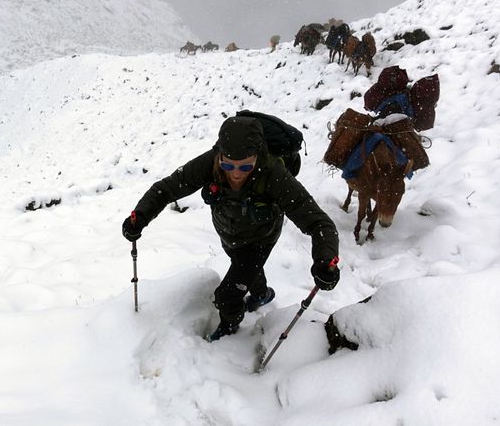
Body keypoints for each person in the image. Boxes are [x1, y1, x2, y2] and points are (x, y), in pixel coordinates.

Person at [122, 115, 340, 342]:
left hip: (260, 238)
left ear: (258, 155)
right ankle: (261, 294)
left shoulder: (274, 174)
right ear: (220, 155)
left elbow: (319, 222)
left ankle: (230, 325)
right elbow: (166, 189)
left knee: (227, 296)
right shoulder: (210, 162)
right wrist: (141, 216)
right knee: (245, 269)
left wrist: (326, 259)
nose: (236, 173)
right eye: (228, 165)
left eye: (246, 166)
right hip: (228, 232)